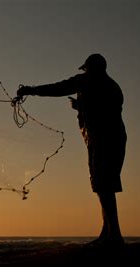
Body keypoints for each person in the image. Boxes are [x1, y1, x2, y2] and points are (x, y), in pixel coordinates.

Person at [17, 53, 126, 247]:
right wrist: (81, 106)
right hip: (115, 138)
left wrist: (30, 90)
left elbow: (59, 88)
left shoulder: (86, 80)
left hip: (101, 139)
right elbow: (107, 109)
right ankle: (107, 232)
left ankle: (114, 235)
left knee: (103, 184)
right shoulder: (113, 86)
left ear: (90, 68)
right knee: (104, 185)